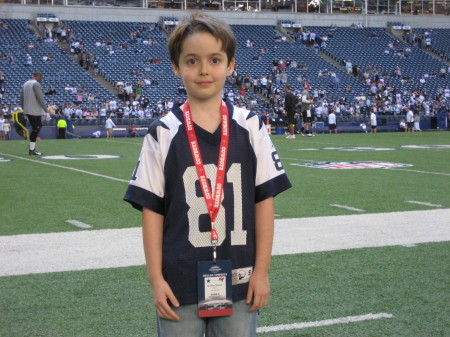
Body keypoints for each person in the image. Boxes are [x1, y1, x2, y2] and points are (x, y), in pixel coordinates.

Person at [123, 13, 291, 337]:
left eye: (214, 59)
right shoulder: (162, 132)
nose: (203, 70)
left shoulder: (251, 126)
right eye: (192, 60)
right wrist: (156, 280)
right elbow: (151, 212)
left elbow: (264, 203)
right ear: (176, 66)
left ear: (230, 65)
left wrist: (262, 272)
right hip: (178, 281)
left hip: (240, 278)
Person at [20, 72, 48, 155]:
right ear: (36, 76)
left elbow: (21, 97)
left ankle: (32, 146)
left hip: (28, 110)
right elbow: (40, 97)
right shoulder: (36, 84)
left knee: (37, 127)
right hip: (35, 110)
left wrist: (24, 108)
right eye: (40, 76)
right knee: (36, 128)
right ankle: (31, 149)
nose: (41, 78)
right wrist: (46, 109)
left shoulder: (26, 83)